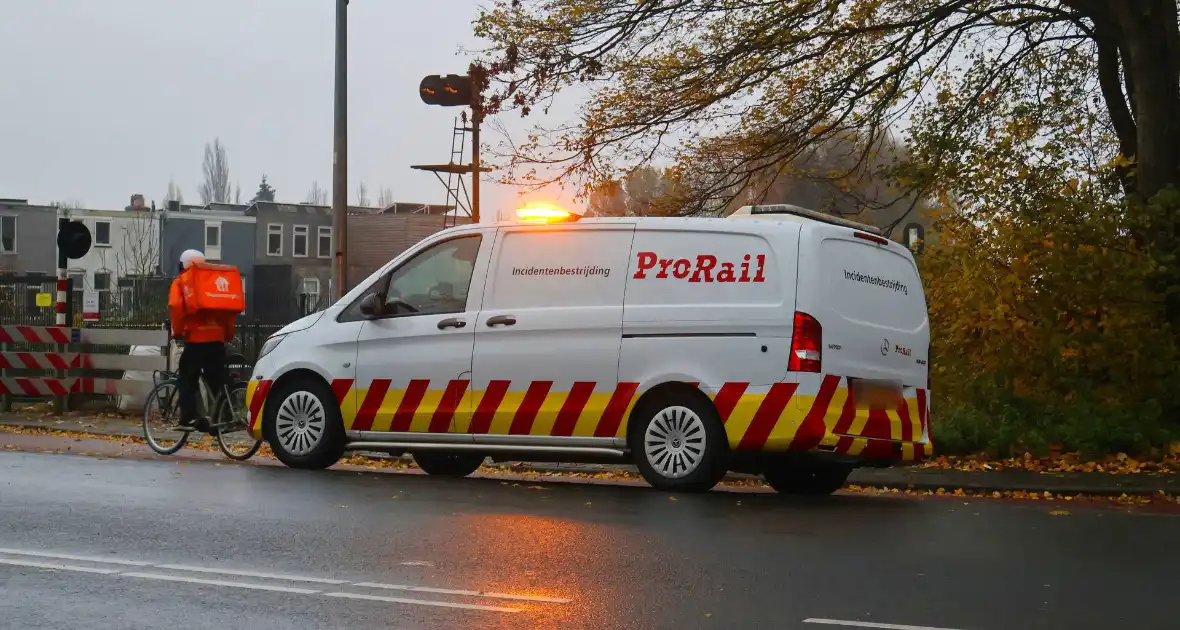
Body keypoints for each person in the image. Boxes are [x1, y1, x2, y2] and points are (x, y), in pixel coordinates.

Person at [168, 249, 236, 432]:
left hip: (197, 339)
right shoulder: (212, 282)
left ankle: (189, 418)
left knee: (186, 376)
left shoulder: (181, 281)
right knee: (217, 378)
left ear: (182, 265)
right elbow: (228, 308)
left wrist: (179, 330)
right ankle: (225, 417)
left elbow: (175, 305)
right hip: (217, 339)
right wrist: (227, 333)